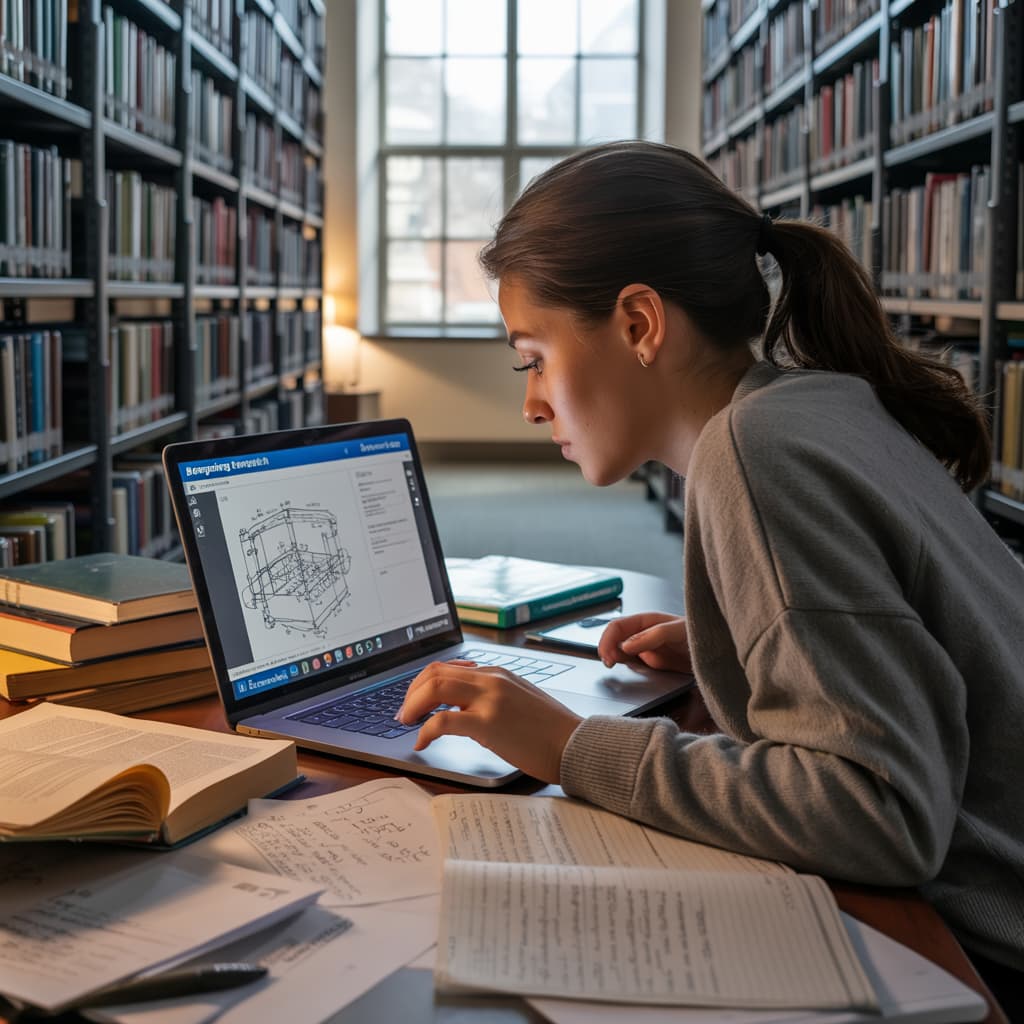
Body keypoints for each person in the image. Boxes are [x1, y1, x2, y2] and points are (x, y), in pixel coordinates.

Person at [396, 140, 1024, 1010]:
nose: (531, 401)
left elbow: (879, 816)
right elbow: (915, 633)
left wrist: (571, 747)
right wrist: (749, 642)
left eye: (532, 357)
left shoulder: (752, 452)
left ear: (640, 324)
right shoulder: (814, 401)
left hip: (990, 952)